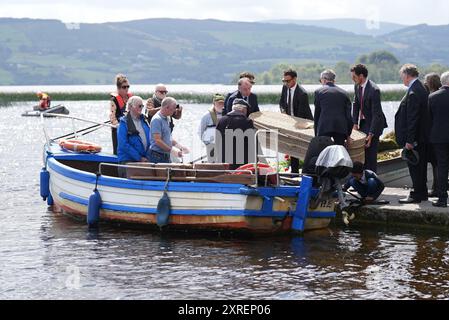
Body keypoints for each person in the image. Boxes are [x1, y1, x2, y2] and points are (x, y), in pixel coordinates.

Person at [395, 64, 430, 204]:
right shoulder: (420, 88)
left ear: (407, 75)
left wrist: (409, 140)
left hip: (415, 139)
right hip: (421, 137)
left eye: (402, 76)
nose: (401, 79)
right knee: (420, 166)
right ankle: (422, 193)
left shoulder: (413, 91)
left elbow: (413, 118)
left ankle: (416, 194)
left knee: (415, 167)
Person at [351, 64, 388, 173]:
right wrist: (354, 123)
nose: (353, 79)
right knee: (362, 154)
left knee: (371, 155)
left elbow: (376, 114)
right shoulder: (357, 86)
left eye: (354, 77)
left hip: (374, 123)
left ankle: (372, 182)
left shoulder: (374, 90)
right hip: (363, 122)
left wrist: (371, 134)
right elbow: (356, 104)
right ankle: (361, 180)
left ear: (361, 76)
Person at [279, 68, 314, 174]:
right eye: (284, 81)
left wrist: (293, 125)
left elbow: (301, 115)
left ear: (294, 79)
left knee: (303, 148)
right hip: (290, 122)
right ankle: (294, 172)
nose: (286, 83)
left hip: (303, 122)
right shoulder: (285, 88)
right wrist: (283, 111)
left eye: (288, 81)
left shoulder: (302, 93)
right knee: (292, 148)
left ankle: (308, 171)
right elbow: (281, 102)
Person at [314, 69, 353, 146]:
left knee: (324, 152)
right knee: (339, 152)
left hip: (324, 127)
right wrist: (348, 134)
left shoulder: (319, 92)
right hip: (341, 128)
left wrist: (316, 134)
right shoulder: (344, 93)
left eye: (320, 80)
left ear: (324, 80)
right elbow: (349, 117)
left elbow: (317, 115)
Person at [216, 98, 256, 169]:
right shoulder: (247, 122)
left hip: (224, 164)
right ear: (244, 110)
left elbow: (217, 142)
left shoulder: (222, 120)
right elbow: (253, 144)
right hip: (242, 166)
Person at [428, 71, 449, 207]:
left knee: (442, 167)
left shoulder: (433, 97)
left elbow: (429, 120)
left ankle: (442, 199)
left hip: (439, 138)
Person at [117, 96, 151, 177]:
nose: (141, 108)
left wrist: (147, 158)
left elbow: (150, 139)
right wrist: (139, 158)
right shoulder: (123, 123)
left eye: (142, 106)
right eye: (139, 106)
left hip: (144, 161)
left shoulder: (144, 121)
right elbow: (123, 144)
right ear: (130, 107)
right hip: (128, 161)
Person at [149, 97, 187, 164]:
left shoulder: (167, 117)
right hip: (157, 156)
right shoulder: (157, 120)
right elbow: (157, 140)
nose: (175, 111)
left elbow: (168, 137)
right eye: (173, 109)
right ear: (166, 107)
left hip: (166, 155)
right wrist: (172, 150)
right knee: (163, 175)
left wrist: (180, 146)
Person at [424, 73, 443, 198]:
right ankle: (439, 187)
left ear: (429, 83)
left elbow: (427, 119)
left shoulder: (431, 98)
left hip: (433, 135)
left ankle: (437, 188)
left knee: (435, 164)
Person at [198, 94, 225, 163]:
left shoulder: (226, 114)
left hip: (224, 146)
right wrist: (207, 143)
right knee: (212, 164)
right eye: (219, 103)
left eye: (222, 103)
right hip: (211, 145)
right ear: (214, 103)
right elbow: (200, 131)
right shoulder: (207, 116)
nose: (221, 105)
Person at [110, 74, 132, 155]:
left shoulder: (130, 98)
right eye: (124, 87)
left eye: (127, 86)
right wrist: (120, 126)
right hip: (118, 128)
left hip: (130, 128)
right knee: (118, 151)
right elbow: (112, 117)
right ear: (118, 88)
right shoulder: (114, 100)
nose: (126, 89)